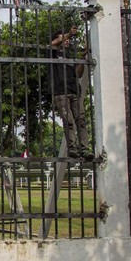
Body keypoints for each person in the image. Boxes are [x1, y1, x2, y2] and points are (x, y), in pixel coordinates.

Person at [49, 26, 94, 160]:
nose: (67, 40)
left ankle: (84, 149)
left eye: (67, 38)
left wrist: (82, 57)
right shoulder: (53, 53)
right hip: (61, 92)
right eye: (62, 37)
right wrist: (69, 33)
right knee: (68, 121)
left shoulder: (69, 56)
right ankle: (72, 149)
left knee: (81, 121)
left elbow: (78, 73)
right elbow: (52, 44)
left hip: (74, 91)